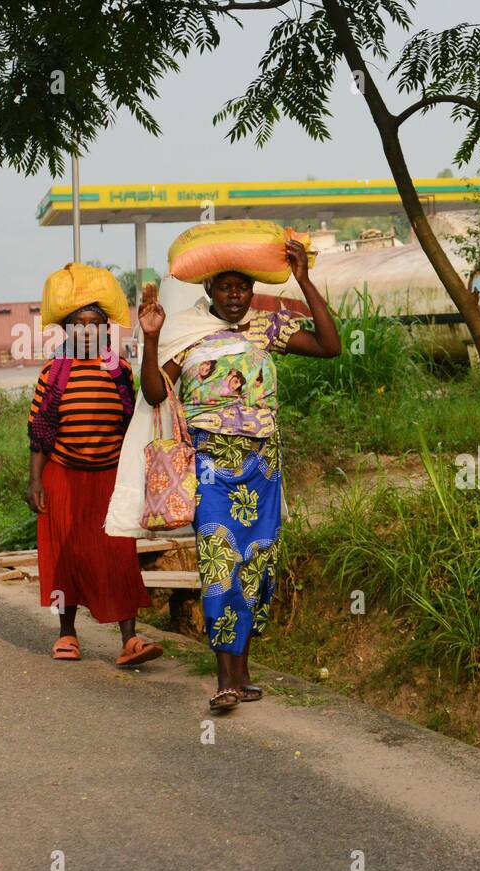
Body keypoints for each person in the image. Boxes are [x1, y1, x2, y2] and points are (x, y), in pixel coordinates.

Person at [137, 237, 340, 712]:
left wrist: (304, 280)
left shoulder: (266, 328)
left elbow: (330, 346)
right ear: (208, 287)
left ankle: (243, 672)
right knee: (219, 565)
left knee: (257, 565)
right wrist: (149, 337)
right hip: (210, 466)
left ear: (251, 291)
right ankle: (225, 678)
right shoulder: (186, 333)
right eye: (225, 287)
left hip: (263, 466)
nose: (234, 296)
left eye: (242, 288)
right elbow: (151, 394)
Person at [27, 263, 162, 667]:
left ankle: (130, 639)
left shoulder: (118, 371)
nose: (87, 332)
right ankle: (67, 635)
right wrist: (35, 480)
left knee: (118, 554)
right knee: (65, 558)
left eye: (95, 324)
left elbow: (130, 424)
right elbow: (40, 431)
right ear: (66, 332)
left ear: (106, 330)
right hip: (63, 478)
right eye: (78, 325)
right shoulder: (53, 374)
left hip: (109, 478)